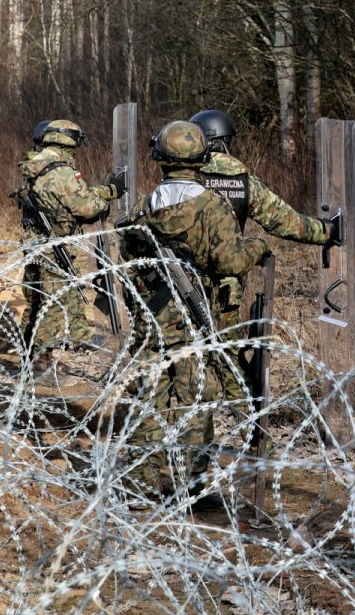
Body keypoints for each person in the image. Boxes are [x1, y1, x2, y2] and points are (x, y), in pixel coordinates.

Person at [118, 119, 271, 500]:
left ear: (161, 158)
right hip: (191, 315)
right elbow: (231, 262)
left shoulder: (147, 203)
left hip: (152, 315)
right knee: (194, 399)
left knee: (148, 396)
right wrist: (257, 246)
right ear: (203, 158)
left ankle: (138, 486)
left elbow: (128, 255)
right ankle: (192, 487)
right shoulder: (211, 205)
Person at [188, 109, 342, 393]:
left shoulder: (187, 175)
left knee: (183, 354)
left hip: (183, 280)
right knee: (227, 353)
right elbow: (283, 221)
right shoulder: (241, 179)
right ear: (225, 141)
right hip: (227, 282)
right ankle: (248, 423)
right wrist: (326, 231)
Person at [15, 118, 123, 367]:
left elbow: (66, 196)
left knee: (37, 298)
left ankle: (37, 345)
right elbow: (86, 207)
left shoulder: (36, 165)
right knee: (52, 304)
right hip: (55, 244)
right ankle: (40, 362)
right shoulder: (60, 170)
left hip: (36, 241)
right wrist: (105, 203)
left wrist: (107, 190)